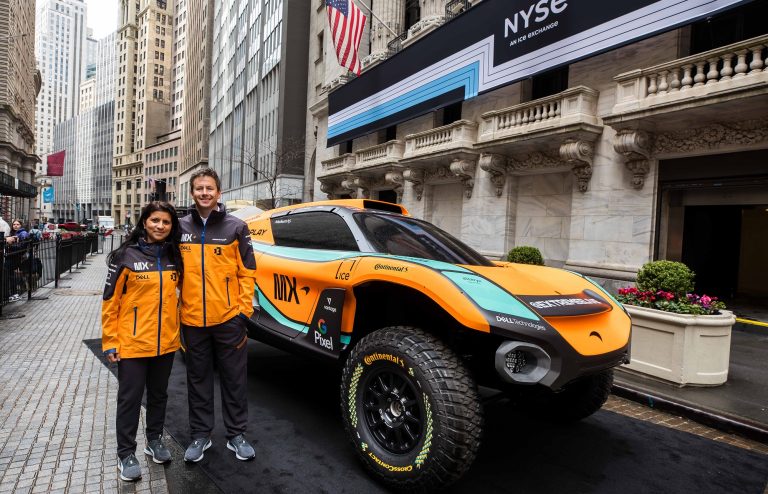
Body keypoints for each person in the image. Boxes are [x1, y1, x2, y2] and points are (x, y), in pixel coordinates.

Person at [101, 202, 184, 482]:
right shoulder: (125, 255)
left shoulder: (175, 255)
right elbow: (110, 303)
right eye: (155, 220)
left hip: (166, 344)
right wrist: (110, 341)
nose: (160, 226)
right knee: (130, 399)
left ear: (172, 226)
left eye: (166, 222)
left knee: (159, 396)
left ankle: (154, 441)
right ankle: (126, 453)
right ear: (144, 222)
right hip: (133, 343)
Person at [179, 168, 257, 463]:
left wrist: (242, 313)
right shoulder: (180, 227)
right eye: (199, 188)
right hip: (192, 320)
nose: (204, 193)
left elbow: (248, 272)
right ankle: (201, 435)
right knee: (197, 380)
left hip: (228, 320)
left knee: (234, 379)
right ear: (192, 193)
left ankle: (236, 434)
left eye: (209, 188)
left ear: (218, 193)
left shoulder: (236, 227)